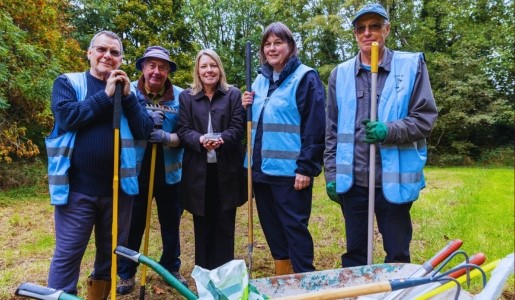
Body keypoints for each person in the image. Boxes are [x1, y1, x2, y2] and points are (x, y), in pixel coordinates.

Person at [324, 3, 438, 268]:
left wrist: (389, 130)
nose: (368, 33)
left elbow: (425, 119)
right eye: (361, 28)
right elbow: (331, 131)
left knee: (397, 255)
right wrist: (331, 174)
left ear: (386, 30)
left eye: (375, 26)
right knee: (355, 255)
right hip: (353, 181)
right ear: (354, 34)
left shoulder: (410, 67)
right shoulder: (339, 75)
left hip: (393, 181)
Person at [46, 31, 154, 298]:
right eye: (102, 50)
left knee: (110, 253)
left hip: (119, 191)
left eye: (114, 52)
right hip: (77, 190)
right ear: (90, 53)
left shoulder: (129, 91)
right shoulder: (69, 83)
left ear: (120, 59)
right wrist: (105, 96)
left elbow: (145, 130)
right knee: (68, 253)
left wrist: (127, 98)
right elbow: (68, 117)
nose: (108, 56)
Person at [241, 22, 326, 275]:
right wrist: (246, 103)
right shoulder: (259, 80)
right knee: (272, 229)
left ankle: (303, 281)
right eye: (267, 44)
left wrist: (306, 167)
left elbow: (315, 126)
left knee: (294, 229)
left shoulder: (305, 78)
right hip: (261, 171)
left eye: (278, 43)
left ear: (290, 46)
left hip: (291, 174)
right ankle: (283, 275)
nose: (272, 48)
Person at [116, 46, 187, 295]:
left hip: (170, 173)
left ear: (168, 71)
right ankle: (126, 273)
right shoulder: (128, 94)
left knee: (171, 225)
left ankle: (171, 267)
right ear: (143, 68)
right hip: (137, 172)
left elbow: (187, 134)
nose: (157, 71)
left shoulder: (182, 96)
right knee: (133, 225)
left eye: (163, 67)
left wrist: (168, 137)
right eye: (152, 65)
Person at [177, 49, 245, 270]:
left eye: (213, 65)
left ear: (220, 69)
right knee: (202, 225)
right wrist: (200, 140)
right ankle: (204, 275)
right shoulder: (186, 97)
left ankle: (224, 274)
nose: (209, 70)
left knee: (225, 225)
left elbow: (237, 128)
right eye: (204, 66)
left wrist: (222, 139)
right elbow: (184, 130)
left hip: (227, 172)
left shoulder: (233, 94)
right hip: (198, 174)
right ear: (198, 70)